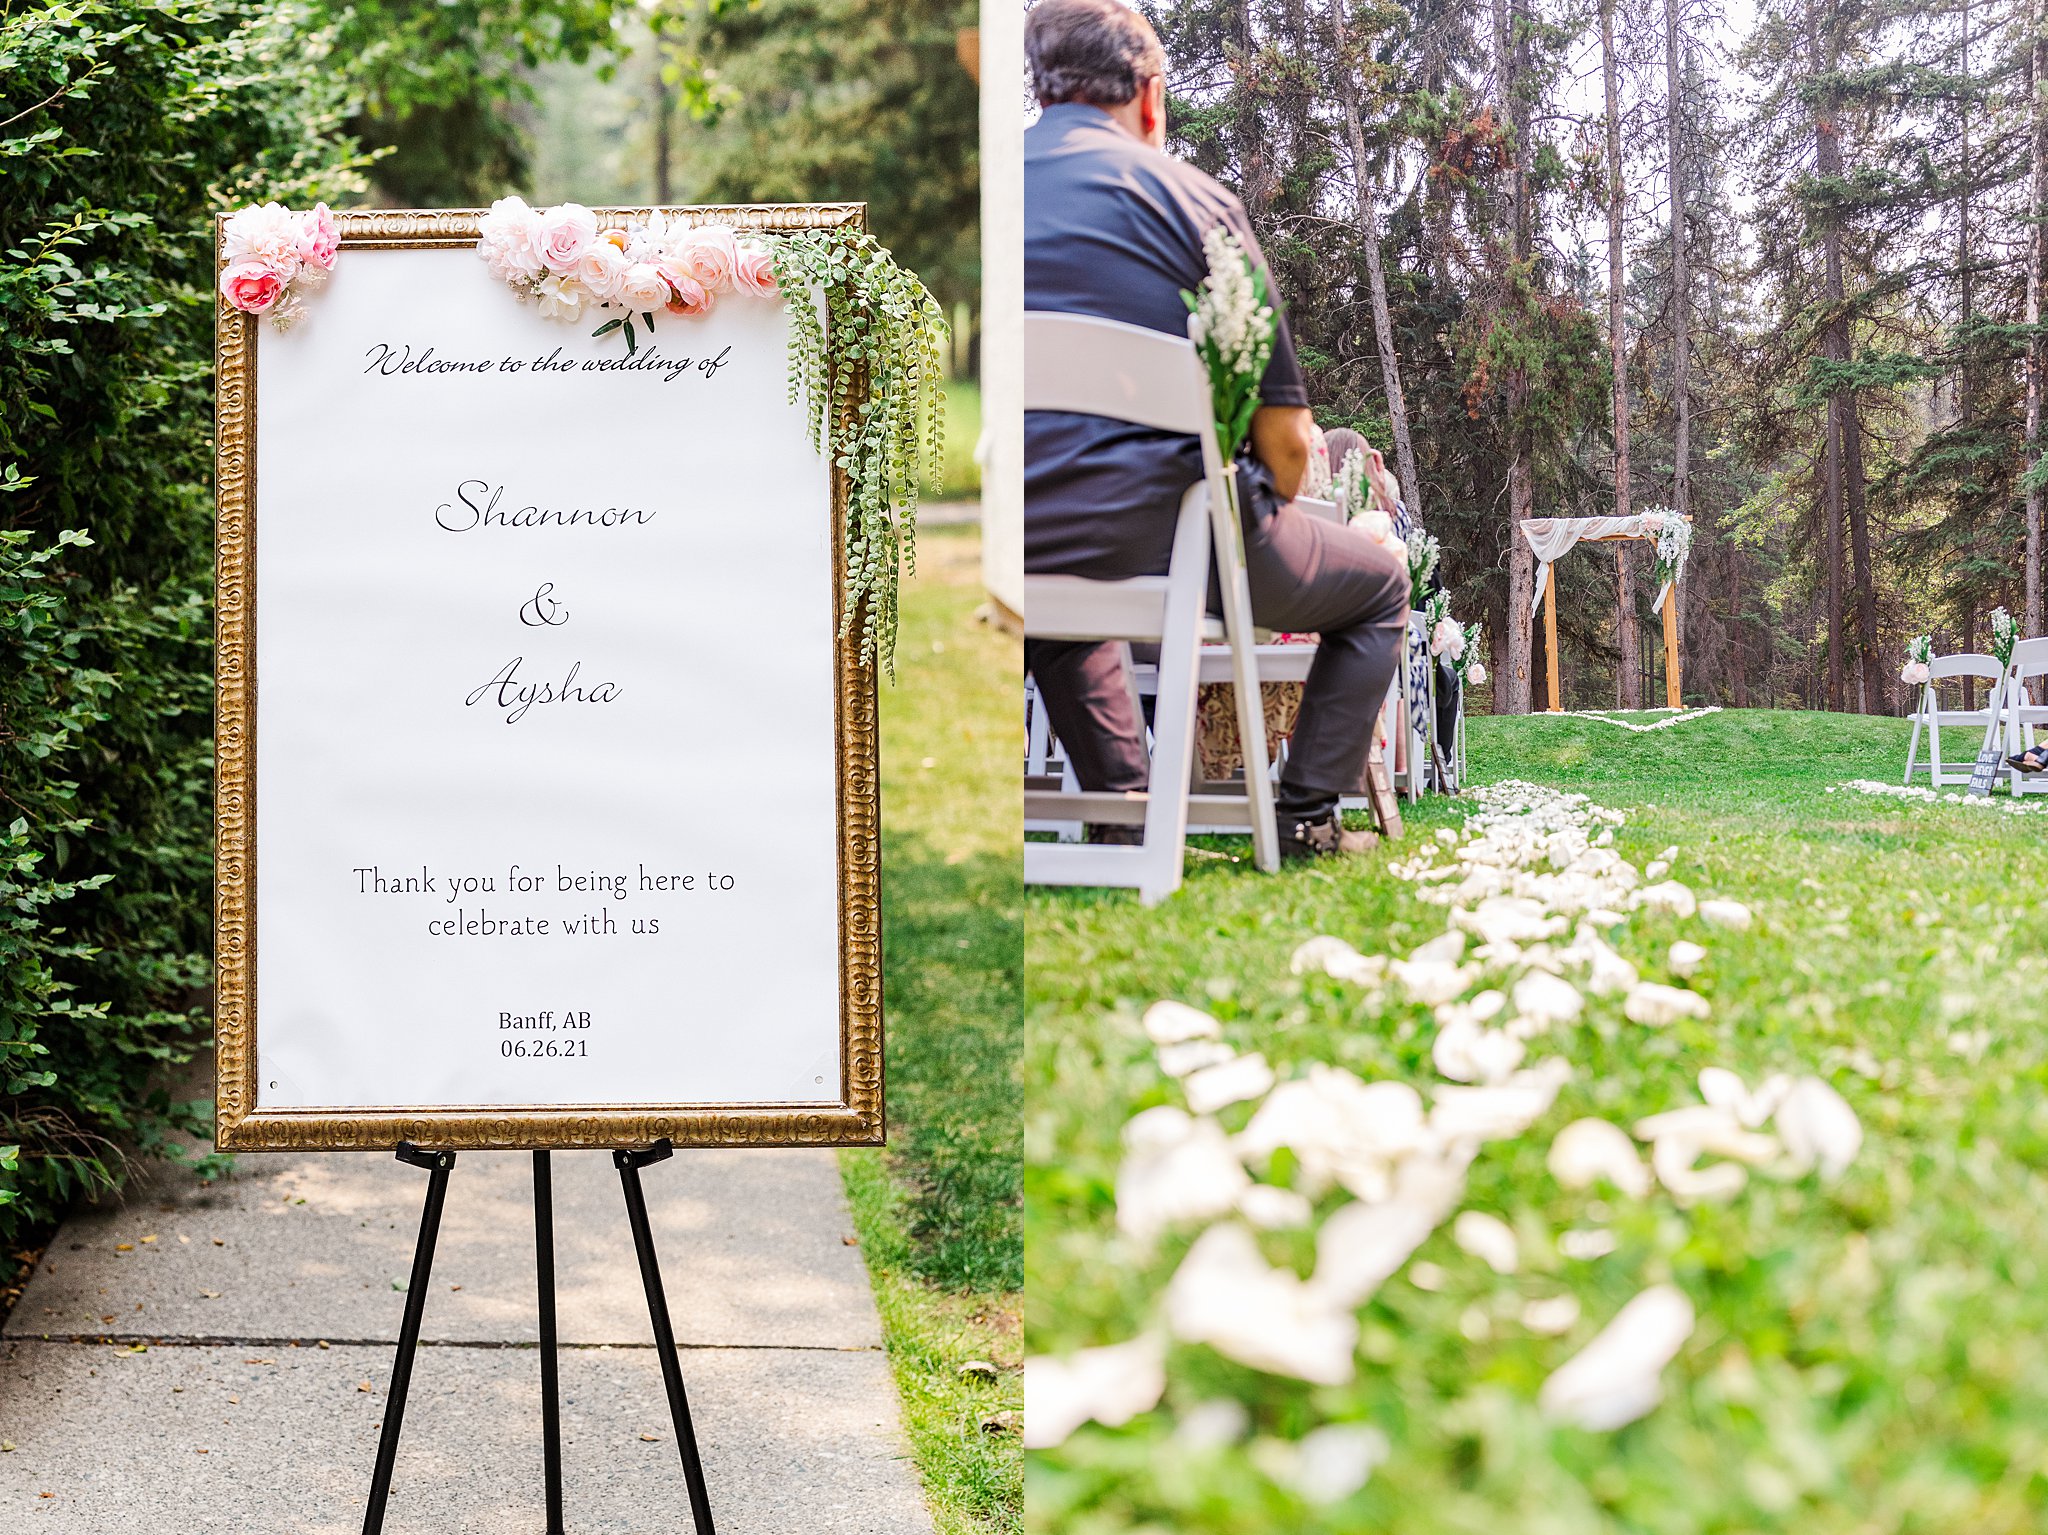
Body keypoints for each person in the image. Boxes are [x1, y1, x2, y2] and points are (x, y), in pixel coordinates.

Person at [1024, 0, 1411, 859]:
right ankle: (1306, 813)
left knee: (1050, 583)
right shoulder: (1193, 203)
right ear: (1149, 96)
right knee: (1381, 581)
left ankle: (1126, 814)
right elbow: (1286, 444)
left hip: (1011, 535)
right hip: (1171, 540)